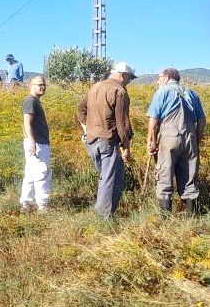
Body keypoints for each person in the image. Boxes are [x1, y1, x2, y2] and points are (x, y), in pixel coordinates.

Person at [77, 62, 136, 218]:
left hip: (91, 141)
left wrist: (87, 129)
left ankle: (102, 213)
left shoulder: (95, 87)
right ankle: (103, 217)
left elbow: (80, 111)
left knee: (105, 177)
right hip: (108, 141)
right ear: (123, 75)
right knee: (110, 180)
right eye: (129, 78)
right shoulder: (119, 91)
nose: (129, 81)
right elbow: (122, 123)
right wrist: (126, 147)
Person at [146, 68, 206, 216]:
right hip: (190, 138)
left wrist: (151, 141)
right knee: (189, 176)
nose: (158, 81)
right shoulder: (192, 93)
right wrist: (196, 140)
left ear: (166, 77)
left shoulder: (162, 92)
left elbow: (153, 121)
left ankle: (165, 219)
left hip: (169, 137)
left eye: (159, 77)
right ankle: (191, 217)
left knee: (165, 175)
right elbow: (202, 120)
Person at [19, 77, 50, 211]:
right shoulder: (30, 101)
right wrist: (32, 141)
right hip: (37, 143)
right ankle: (42, 206)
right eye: (39, 85)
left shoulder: (34, 101)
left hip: (36, 142)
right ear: (31, 86)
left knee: (31, 174)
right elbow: (27, 123)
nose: (43, 87)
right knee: (42, 173)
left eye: (44, 85)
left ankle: (26, 204)